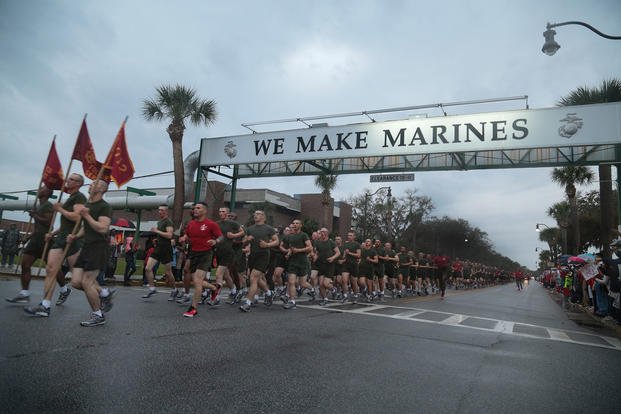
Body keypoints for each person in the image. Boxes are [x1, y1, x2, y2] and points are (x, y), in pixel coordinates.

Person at [24, 173, 86, 317]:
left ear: (78, 183)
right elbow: (66, 223)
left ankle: (100, 293)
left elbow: (77, 217)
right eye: (68, 178)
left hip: (72, 240)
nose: (67, 181)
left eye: (71, 179)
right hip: (61, 239)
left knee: (78, 280)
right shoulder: (70, 197)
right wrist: (53, 233)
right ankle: (45, 306)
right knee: (50, 269)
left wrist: (61, 210)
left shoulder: (79, 197)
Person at [65, 179, 115, 326]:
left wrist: (86, 216)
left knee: (87, 282)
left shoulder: (104, 207)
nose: (91, 184)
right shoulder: (88, 205)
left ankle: (98, 315)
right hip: (86, 247)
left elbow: (103, 228)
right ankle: (104, 294)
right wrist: (75, 236)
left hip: (98, 247)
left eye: (95, 183)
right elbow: (86, 228)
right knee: (75, 282)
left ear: (101, 190)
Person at [6, 186, 53, 303]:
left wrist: (35, 215)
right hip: (36, 239)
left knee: (52, 268)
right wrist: (28, 237)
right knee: (25, 264)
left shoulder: (48, 205)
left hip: (44, 240)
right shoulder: (40, 206)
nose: (39, 190)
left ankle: (64, 288)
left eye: (42, 189)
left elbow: (48, 223)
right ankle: (24, 293)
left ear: (47, 193)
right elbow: (38, 228)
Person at [179, 202, 223, 318]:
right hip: (193, 254)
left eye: (198, 208)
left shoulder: (211, 224)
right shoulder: (191, 224)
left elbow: (221, 237)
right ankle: (214, 288)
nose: (195, 210)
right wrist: (184, 238)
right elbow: (188, 236)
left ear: (205, 210)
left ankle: (193, 308)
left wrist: (215, 241)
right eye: (194, 208)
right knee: (196, 280)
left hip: (206, 254)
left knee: (197, 280)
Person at [239, 210, 279, 312]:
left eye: (258, 214)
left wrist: (267, 245)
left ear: (263, 217)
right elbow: (243, 243)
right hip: (253, 255)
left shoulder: (268, 228)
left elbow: (276, 241)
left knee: (253, 278)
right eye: (255, 214)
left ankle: (247, 303)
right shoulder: (250, 229)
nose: (255, 215)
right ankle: (269, 293)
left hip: (263, 255)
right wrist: (247, 240)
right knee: (257, 279)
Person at [210, 207, 245, 305]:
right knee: (226, 275)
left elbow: (243, 232)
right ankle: (234, 291)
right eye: (220, 211)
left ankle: (216, 297)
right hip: (219, 251)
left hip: (228, 252)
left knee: (218, 274)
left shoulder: (232, 223)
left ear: (227, 213)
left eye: (223, 211)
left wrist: (233, 236)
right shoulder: (216, 223)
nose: (221, 213)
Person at [142, 205, 178, 300]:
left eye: (162, 210)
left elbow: (169, 235)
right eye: (159, 210)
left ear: (166, 211)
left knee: (168, 272)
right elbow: (162, 235)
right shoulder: (160, 222)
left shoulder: (168, 222)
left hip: (166, 249)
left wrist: (157, 231)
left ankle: (174, 289)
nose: (159, 212)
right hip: (158, 248)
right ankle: (152, 288)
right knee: (148, 268)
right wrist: (157, 240)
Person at [280, 218, 313, 309]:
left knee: (302, 284)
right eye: (293, 223)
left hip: (302, 262)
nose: (294, 224)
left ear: (300, 225)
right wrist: (286, 251)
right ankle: (292, 301)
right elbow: (281, 246)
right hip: (292, 262)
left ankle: (312, 289)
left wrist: (298, 250)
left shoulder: (303, 235)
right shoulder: (288, 236)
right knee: (291, 282)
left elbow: (310, 248)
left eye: (297, 223)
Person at [312, 227, 340, 306]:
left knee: (325, 284)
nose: (321, 233)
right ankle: (325, 299)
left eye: (323, 232)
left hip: (329, 266)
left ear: (327, 233)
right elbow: (316, 253)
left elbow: (338, 253)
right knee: (321, 285)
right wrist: (314, 257)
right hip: (321, 265)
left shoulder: (331, 242)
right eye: (321, 232)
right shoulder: (318, 243)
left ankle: (333, 289)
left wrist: (332, 258)